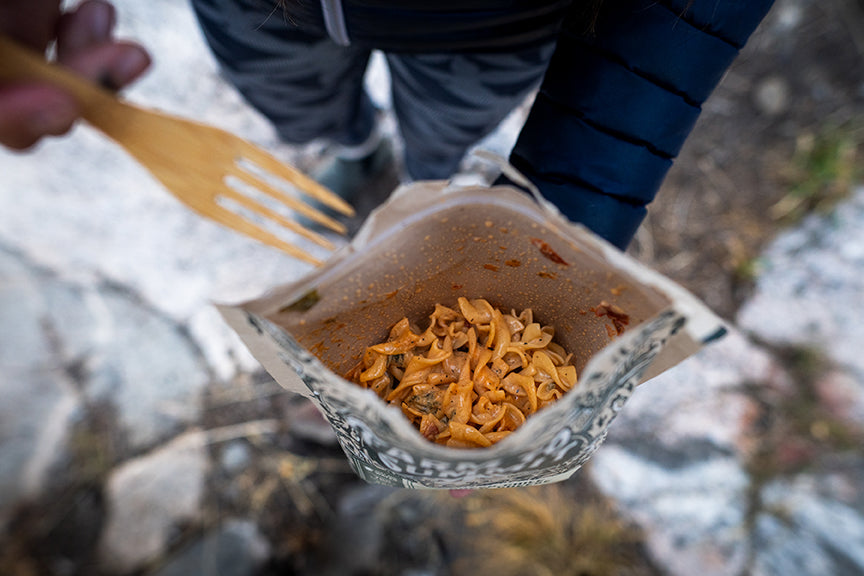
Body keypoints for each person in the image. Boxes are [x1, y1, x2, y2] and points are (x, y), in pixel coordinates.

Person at [0, 0, 775, 250]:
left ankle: (422, 183)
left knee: (445, 130)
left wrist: (573, 200)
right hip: (253, 9)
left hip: (494, 25)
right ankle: (357, 148)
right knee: (296, 103)